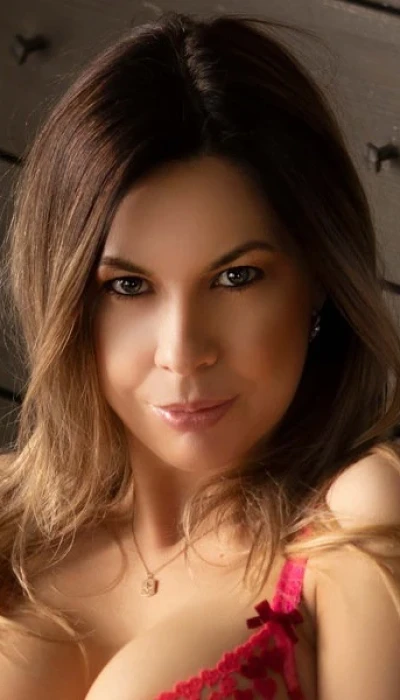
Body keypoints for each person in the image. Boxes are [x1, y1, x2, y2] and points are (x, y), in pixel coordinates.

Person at [0, 9, 399, 700]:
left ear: (318, 280)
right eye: (129, 286)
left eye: (236, 277)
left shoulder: (356, 525)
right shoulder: (10, 517)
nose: (182, 353)